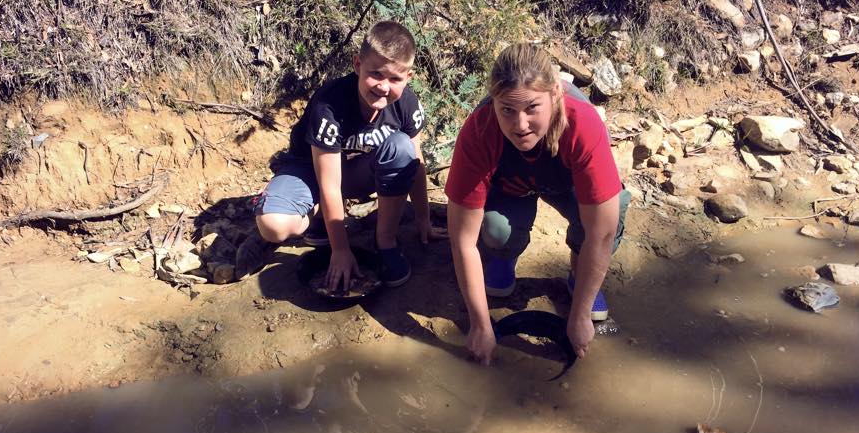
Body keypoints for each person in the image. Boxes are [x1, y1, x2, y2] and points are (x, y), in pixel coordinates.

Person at [445, 42, 630, 365]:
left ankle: (578, 274)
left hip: (566, 182)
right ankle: (504, 256)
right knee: (495, 231)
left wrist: (580, 314)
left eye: (532, 108)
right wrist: (480, 323)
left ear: (555, 94)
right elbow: (462, 239)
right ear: (495, 105)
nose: (520, 125)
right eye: (508, 110)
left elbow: (601, 231)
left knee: (608, 218)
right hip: (512, 186)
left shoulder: (582, 123)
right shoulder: (479, 130)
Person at [236, 20, 445, 287]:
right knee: (274, 226)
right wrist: (341, 250)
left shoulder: (407, 103)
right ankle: (316, 216)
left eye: (395, 78)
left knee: (403, 147)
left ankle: (386, 242)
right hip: (310, 172)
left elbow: (415, 163)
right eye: (376, 74)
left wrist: (423, 218)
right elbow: (329, 184)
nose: (383, 86)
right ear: (358, 65)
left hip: (356, 171)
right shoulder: (330, 103)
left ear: (408, 77)